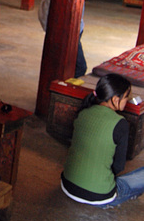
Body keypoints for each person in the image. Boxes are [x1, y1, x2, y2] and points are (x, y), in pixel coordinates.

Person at [61, 73, 144, 207]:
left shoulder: (83, 112)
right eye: (126, 96)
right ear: (115, 99)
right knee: (135, 179)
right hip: (99, 195)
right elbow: (118, 167)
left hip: (67, 186)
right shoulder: (120, 123)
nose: (128, 100)